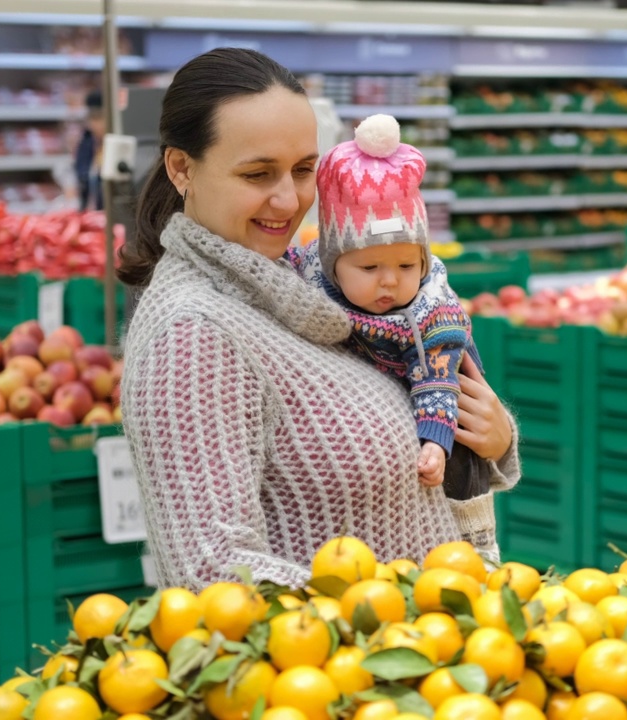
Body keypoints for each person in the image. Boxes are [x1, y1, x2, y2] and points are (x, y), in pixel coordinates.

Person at [117, 48, 521, 589]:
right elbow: (213, 575)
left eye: (304, 170)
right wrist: (390, 616)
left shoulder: (305, 282)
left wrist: (486, 435)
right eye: (258, 174)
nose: (288, 200)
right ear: (181, 168)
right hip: (344, 662)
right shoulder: (192, 336)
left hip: (421, 655)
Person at [285, 113, 500, 561]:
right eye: (370, 268)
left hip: (445, 424)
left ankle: (478, 552)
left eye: (406, 266)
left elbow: (438, 383)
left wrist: (436, 445)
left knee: (462, 505)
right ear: (331, 262)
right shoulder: (309, 276)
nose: (390, 282)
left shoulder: (431, 312)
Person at [74, 90, 105, 211]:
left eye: (99, 118)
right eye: (92, 119)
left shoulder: (119, 146)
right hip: (90, 213)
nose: (94, 125)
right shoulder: (86, 144)